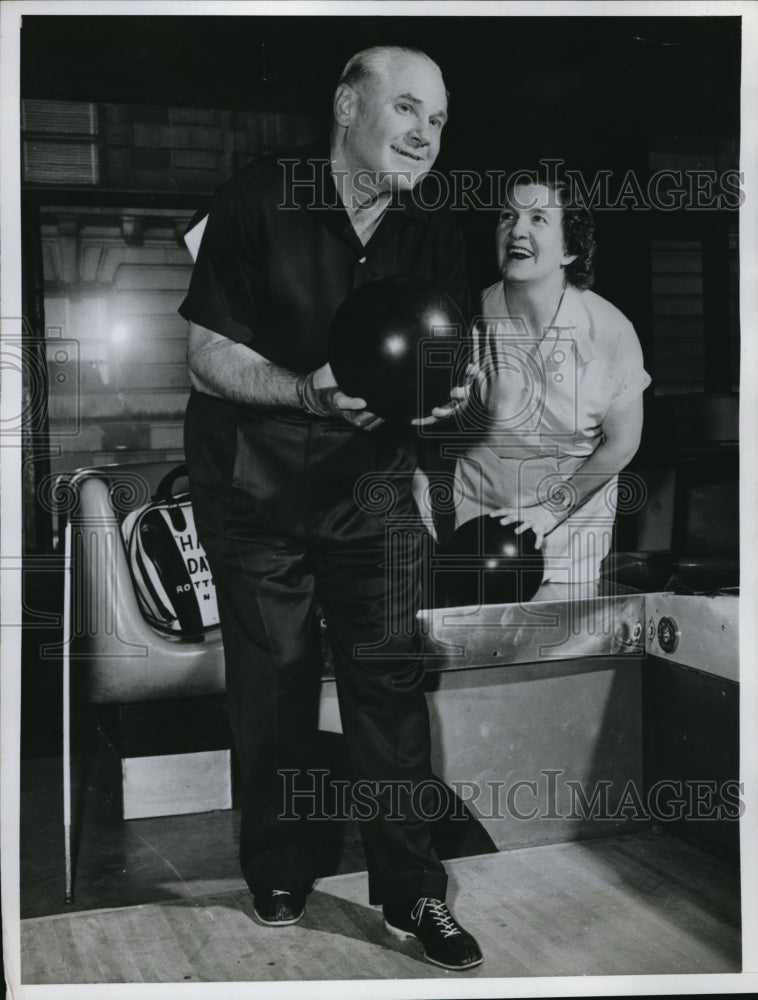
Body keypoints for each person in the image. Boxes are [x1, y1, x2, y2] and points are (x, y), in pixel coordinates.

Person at [178, 45, 483, 971]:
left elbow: (459, 367)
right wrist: (305, 392)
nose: (426, 135)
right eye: (407, 109)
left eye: (438, 120)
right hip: (255, 487)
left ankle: (412, 894)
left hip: (372, 492)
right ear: (348, 108)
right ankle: (279, 866)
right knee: (273, 684)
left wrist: (451, 400)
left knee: (389, 684)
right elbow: (207, 357)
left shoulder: (434, 229)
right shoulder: (255, 200)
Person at [454, 167, 651, 595]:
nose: (516, 230)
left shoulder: (612, 332)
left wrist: (550, 510)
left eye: (538, 218)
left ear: (569, 249)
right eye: (507, 216)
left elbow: (622, 443)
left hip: (568, 554)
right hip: (473, 545)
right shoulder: (462, 319)